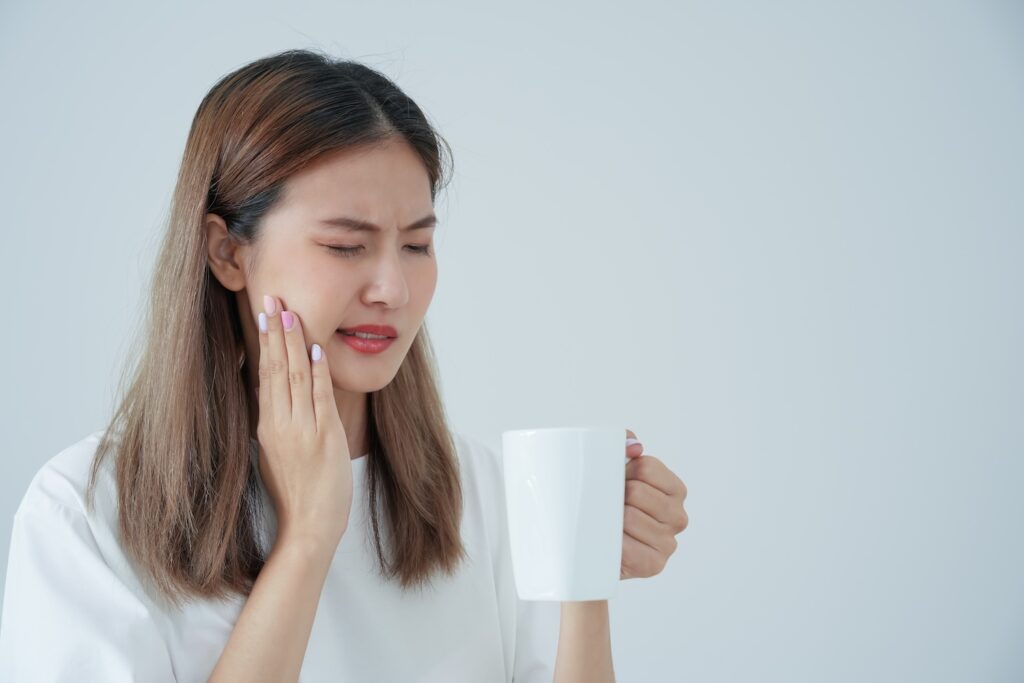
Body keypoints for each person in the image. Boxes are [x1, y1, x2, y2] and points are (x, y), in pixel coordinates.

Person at [0, 48, 563, 682]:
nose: (393, 290)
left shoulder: (483, 493)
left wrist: (585, 568)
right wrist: (306, 542)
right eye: (346, 246)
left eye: (417, 245)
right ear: (227, 253)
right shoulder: (86, 512)